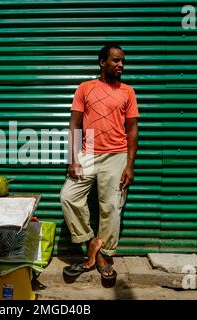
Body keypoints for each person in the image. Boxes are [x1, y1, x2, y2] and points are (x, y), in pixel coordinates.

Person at [60, 43, 139, 281]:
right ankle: (91, 241)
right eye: (116, 60)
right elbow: (74, 124)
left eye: (123, 61)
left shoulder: (128, 92)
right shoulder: (85, 88)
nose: (121, 65)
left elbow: (133, 129)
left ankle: (103, 254)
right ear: (102, 62)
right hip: (89, 151)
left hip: (117, 155)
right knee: (68, 196)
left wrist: (129, 165)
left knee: (112, 208)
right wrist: (73, 159)